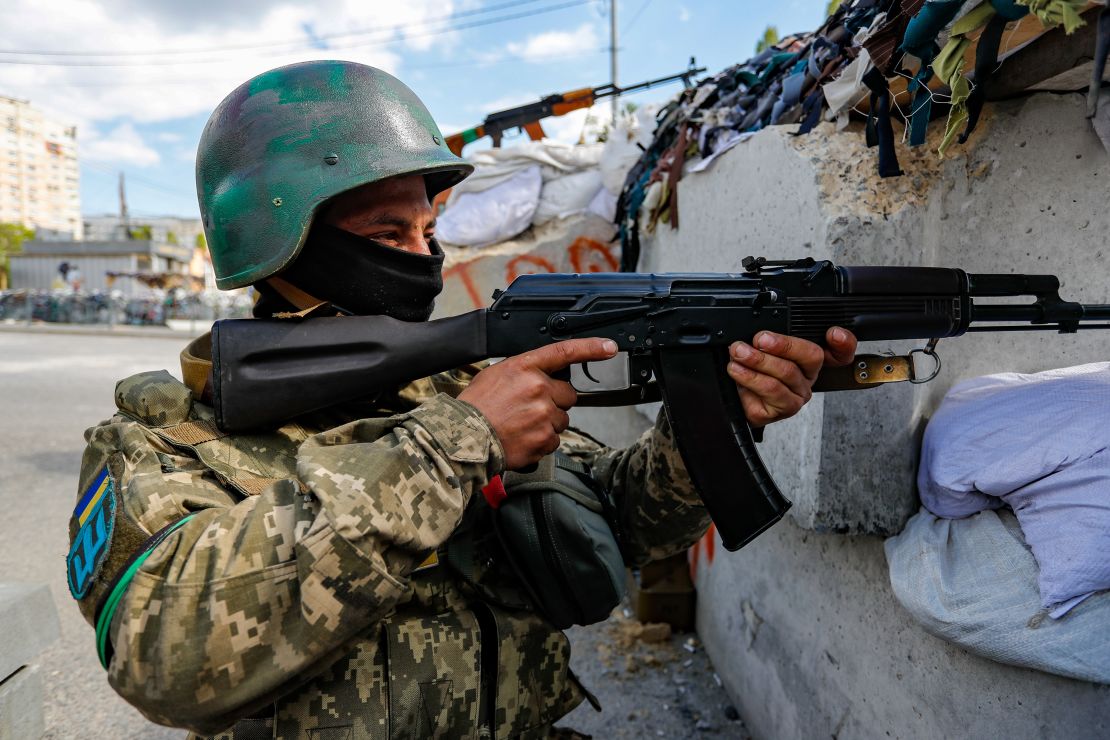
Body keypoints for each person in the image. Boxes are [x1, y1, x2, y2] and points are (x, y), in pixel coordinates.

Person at [66, 60, 858, 739]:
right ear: (280, 244)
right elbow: (162, 653)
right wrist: (451, 443)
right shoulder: (161, 444)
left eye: (428, 231)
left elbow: (613, 520)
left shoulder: (449, 388)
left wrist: (715, 418)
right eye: (386, 236)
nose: (424, 259)